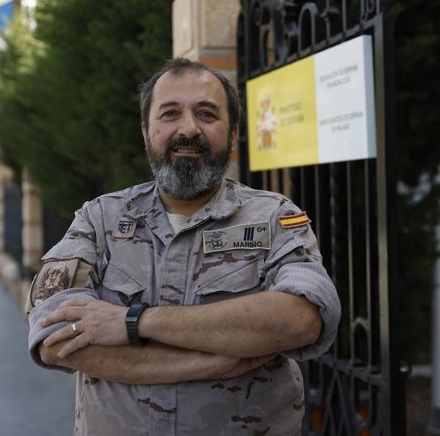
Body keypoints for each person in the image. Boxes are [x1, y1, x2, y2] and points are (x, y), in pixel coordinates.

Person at [26, 58, 341, 435]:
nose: (188, 128)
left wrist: (132, 322)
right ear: (146, 132)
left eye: (207, 114)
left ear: (233, 133)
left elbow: (302, 319)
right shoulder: (99, 219)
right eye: (170, 114)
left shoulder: (275, 217)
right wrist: (209, 363)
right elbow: (52, 337)